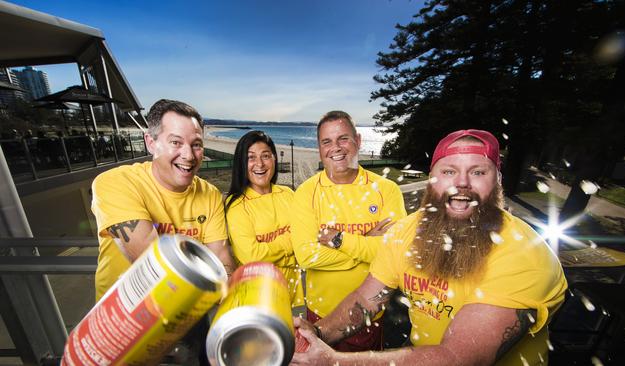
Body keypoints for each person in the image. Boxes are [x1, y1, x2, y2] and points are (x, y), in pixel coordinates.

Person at [292, 129, 568, 366]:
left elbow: (458, 359)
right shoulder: (405, 233)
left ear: (497, 180)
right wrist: (316, 333)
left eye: (478, 171)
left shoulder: (522, 254)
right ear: (433, 178)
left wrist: (334, 361)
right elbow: (366, 301)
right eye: (449, 171)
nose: (461, 182)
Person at [91, 99, 236, 365]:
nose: (189, 155)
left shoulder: (210, 194)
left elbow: (221, 258)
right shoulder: (116, 183)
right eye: (176, 142)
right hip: (125, 323)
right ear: (151, 142)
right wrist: (215, 284)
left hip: (188, 321)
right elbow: (151, 262)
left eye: (196, 144)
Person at [291, 110, 407, 351]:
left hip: (368, 315)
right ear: (319, 148)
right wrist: (366, 243)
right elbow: (306, 256)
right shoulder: (306, 192)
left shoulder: (387, 189)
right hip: (320, 314)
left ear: (358, 141)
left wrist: (339, 240)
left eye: (343, 138)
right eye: (327, 141)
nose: (336, 147)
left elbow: (396, 251)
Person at [225, 130, 304, 307]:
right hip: (257, 299)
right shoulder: (237, 205)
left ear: (274, 159)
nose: (259, 164)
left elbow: (306, 239)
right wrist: (290, 252)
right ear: (241, 163)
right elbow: (252, 257)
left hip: (295, 296)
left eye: (266, 156)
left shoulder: (288, 194)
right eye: (251, 157)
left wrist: (271, 252)